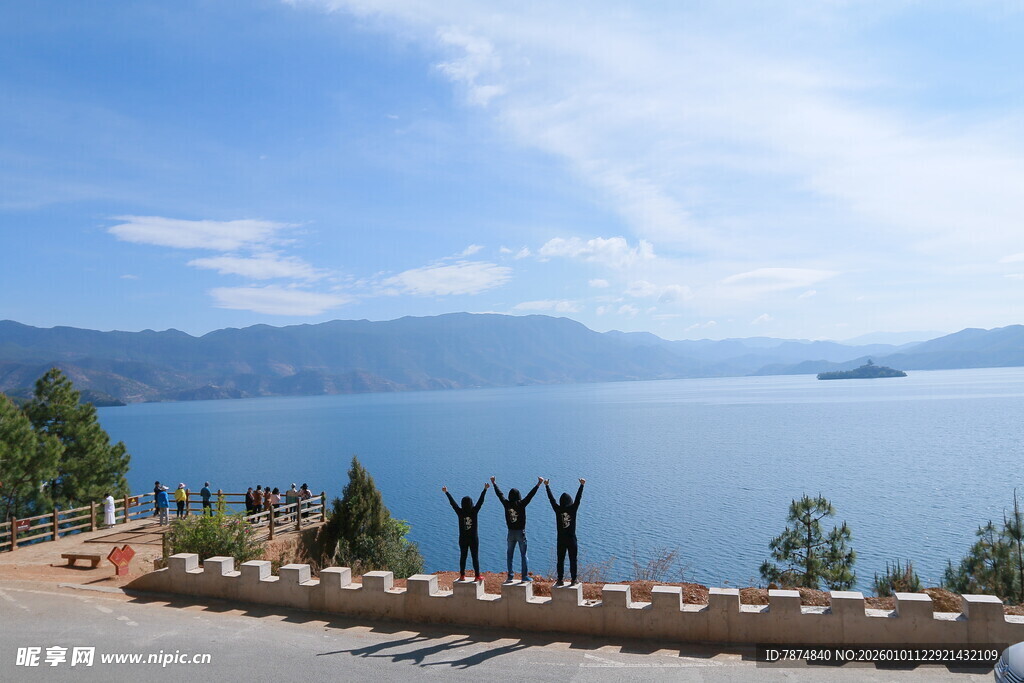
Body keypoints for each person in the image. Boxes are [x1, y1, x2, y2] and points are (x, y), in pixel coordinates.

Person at [491, 475, 542, 582]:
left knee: (510, 554)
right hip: (520, 533)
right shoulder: (521, 504)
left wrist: (494, 483)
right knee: (524, 554)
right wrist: (538, 484)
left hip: (510, 533)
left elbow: (500, 495)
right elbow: (530, 495)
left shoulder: (506, 504)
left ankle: (510, 575)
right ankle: (524, 576)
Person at [443, 483, 489, 582]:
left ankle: (462, 575)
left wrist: (447, 492)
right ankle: (477, 576)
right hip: (473, 538)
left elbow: (453, 504)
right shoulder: (474, 511)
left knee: (463, 556)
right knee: (475, 557)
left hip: (463, 538)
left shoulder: (460, 512)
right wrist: (485, 490)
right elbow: (480, 502)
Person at [546, 478, 586, 586]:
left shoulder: (558, 510)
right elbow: (578, 498)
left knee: (560, 560)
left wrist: (547, 486)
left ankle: (560, 579)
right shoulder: (573, 509)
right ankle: (574, 579)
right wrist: (581, 485)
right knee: (573, 560)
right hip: (571, 539)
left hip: (561, 539)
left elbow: (551, 500)